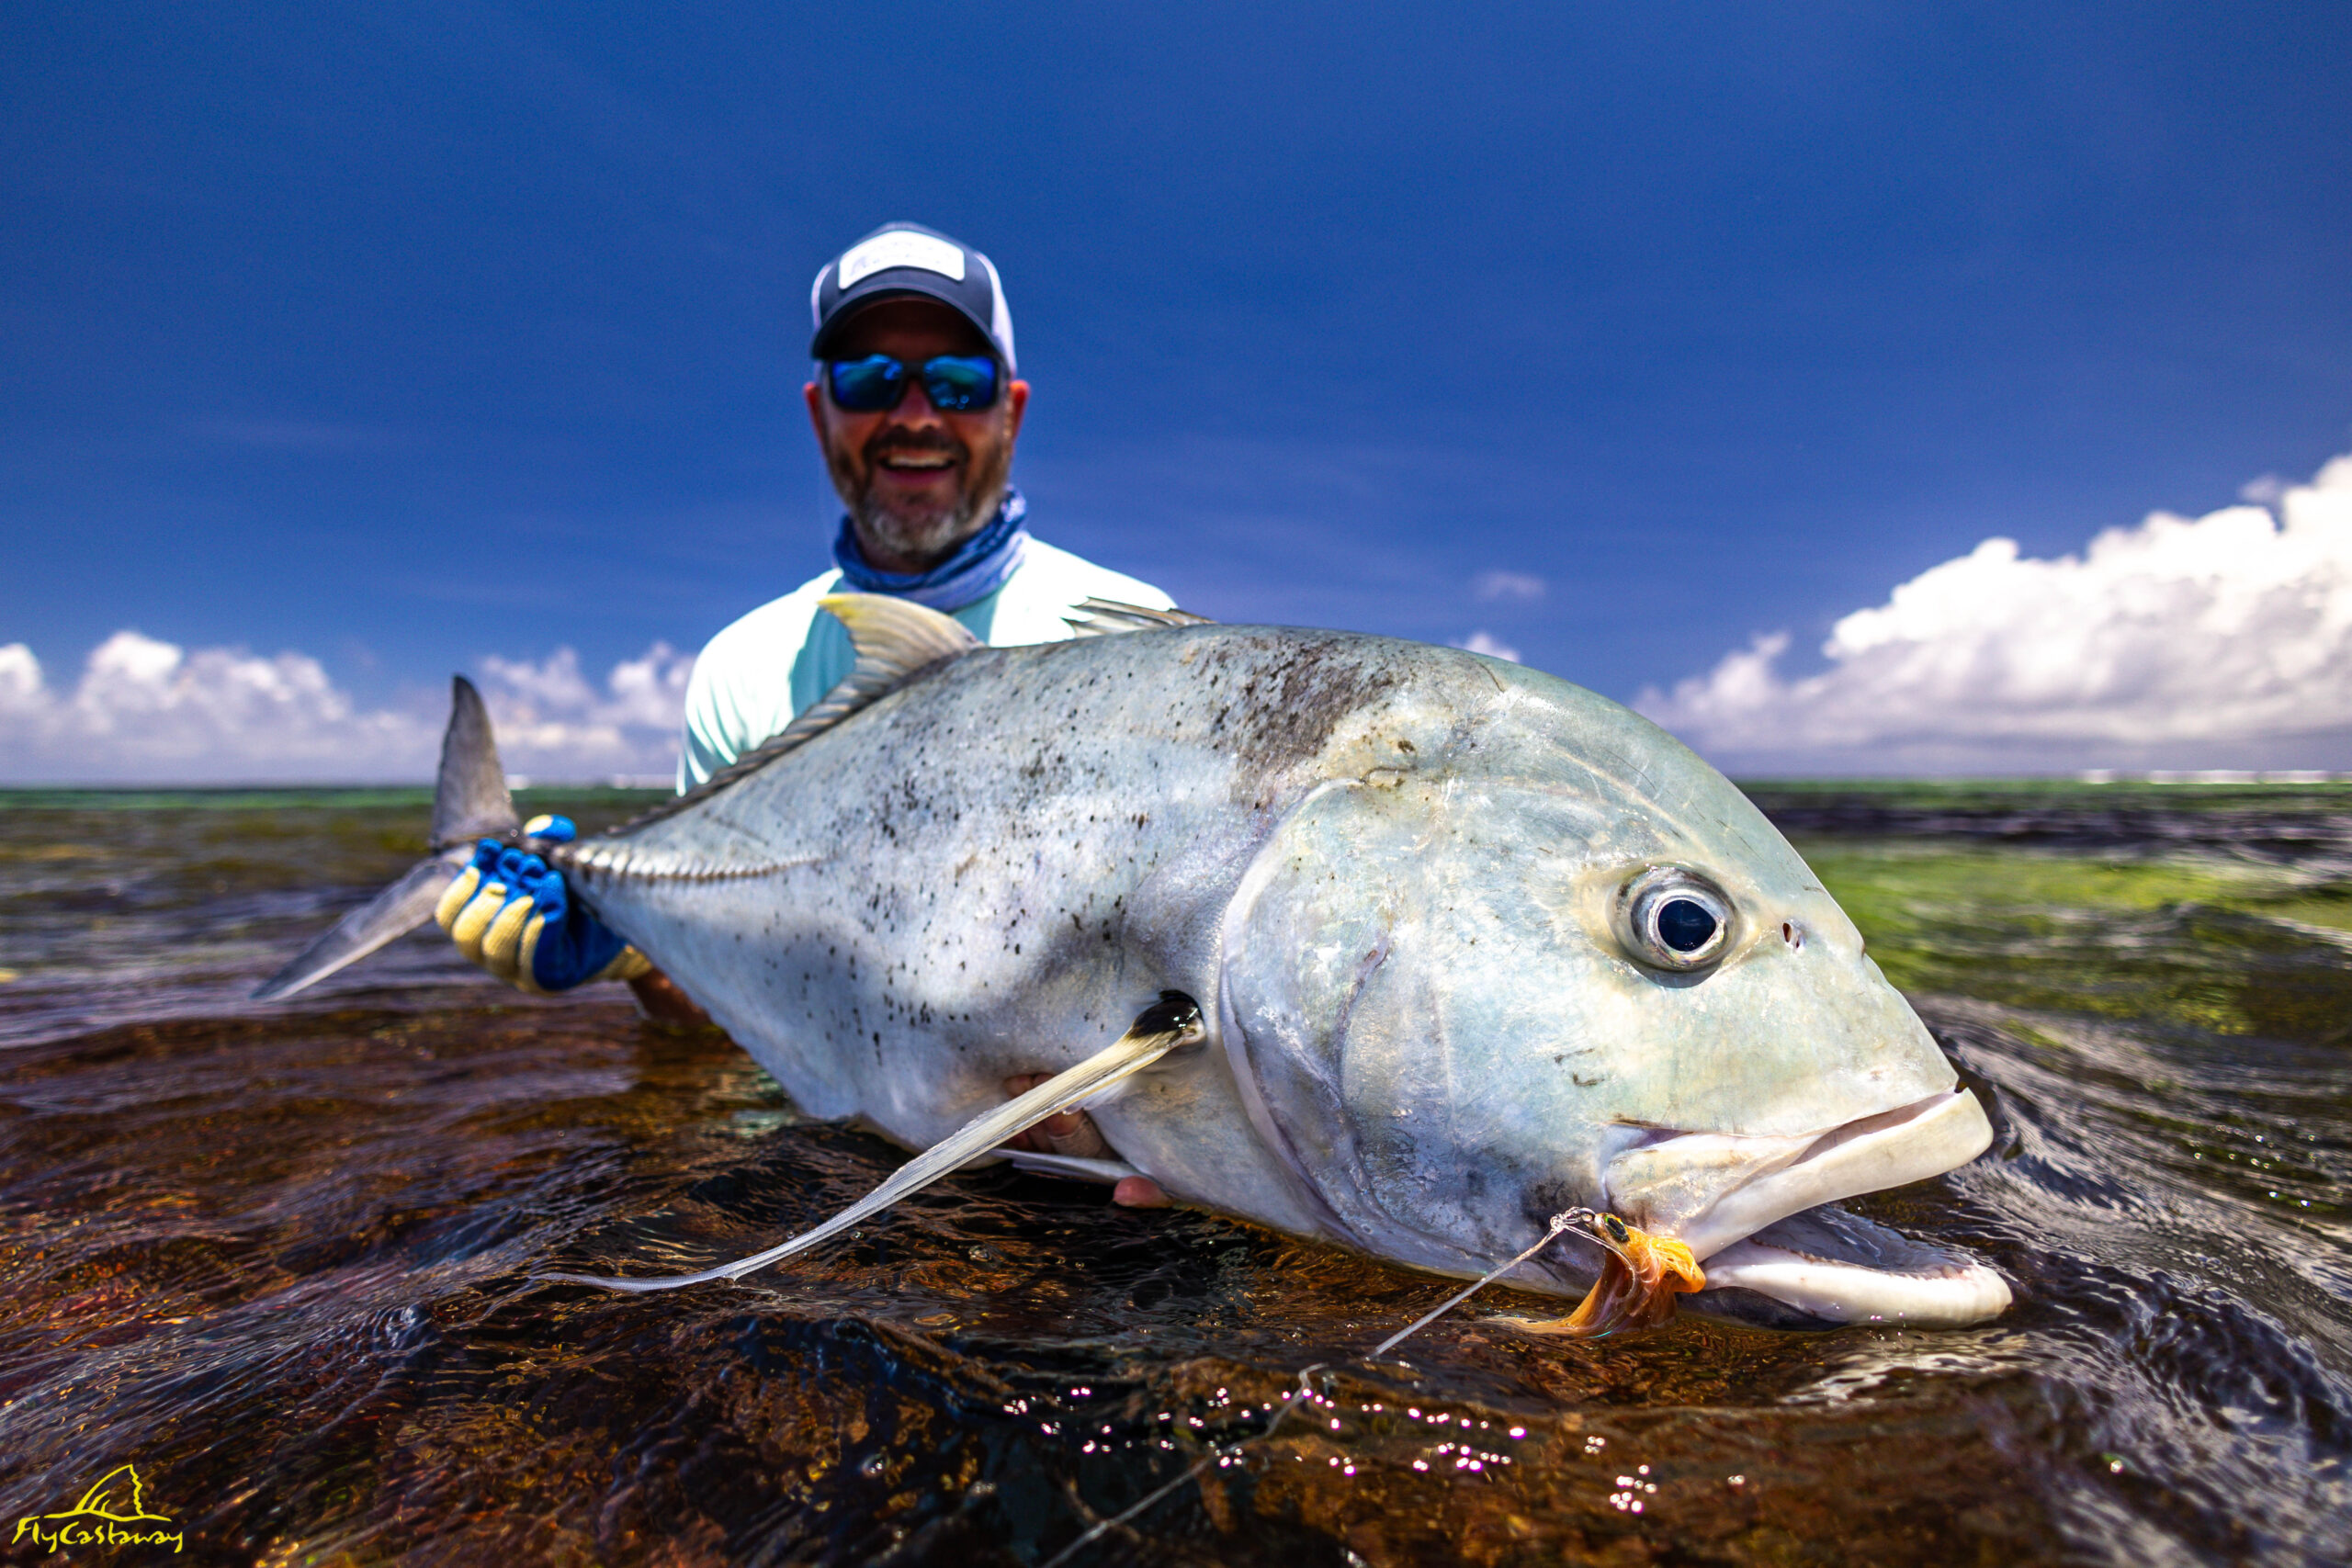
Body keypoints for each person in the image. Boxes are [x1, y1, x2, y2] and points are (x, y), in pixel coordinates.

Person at [435, 222, 1171, 1201]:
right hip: (842, 1154)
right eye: (870, 380)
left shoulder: (1138, 644)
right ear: (821, 410)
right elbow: (706, 1005)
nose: (915, 415)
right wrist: (632, 945)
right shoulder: (743, 666)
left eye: (955, 380)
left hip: (1088, 1175)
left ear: (1012, 411)